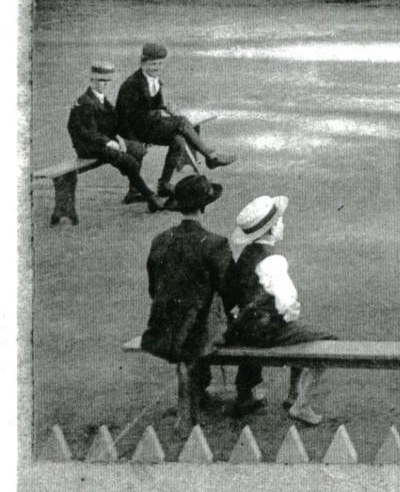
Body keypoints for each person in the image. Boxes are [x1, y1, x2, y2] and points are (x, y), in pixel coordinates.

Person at [223, 195, 335, 424]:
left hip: (243, 328)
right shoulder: (273, 261)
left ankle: (245, 394)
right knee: (322, 340)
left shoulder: (243, 256)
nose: (282, 225)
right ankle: (299, 402)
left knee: (280, 329)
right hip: (266, 331)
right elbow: (288, 302)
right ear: (273, 229)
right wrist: (288, 315)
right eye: (280, 222)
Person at [140, 175, 229, 412]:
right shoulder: (215, 243)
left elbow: (153, 287)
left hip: (162, 327)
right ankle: (242, 390)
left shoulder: (161, 239)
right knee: (218, 312)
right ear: (204, 206)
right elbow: (228, 290)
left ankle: (198, 386)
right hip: (196, 332)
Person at [116, 43, 235, 199]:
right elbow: (126, 116)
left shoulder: (154, 80)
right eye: (152, 64)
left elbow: (155, 105)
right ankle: (210, 156)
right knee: (181, 122)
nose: (156, 67)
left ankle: (163, 184)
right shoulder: (132, 84)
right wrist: (135, 138)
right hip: (133, 130)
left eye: (159, 64)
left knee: (178, 140)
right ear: (142, 63)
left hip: (147, 126)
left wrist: (166, 108)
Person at [68, 61, 164, 213]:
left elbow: (114, 123)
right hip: (87, 147)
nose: (104, 84)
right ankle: (149, 196)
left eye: (107, 81)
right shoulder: (85, 102)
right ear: (91, 80)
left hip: (102, 142)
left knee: (138, 150)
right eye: (100, 80)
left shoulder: (102, 99)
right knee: (129, 162)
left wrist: (119, 138)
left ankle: (134, 191)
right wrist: (108, 142)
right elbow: (87, 133)